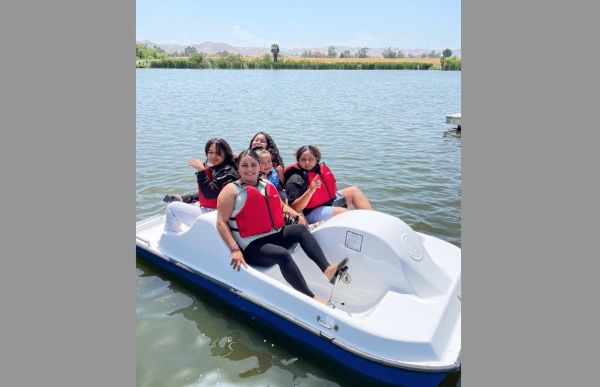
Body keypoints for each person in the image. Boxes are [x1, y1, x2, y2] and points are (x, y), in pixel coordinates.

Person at [216, 149, 349, 304]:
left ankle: (328, 270)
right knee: (282, 254)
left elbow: (281, 207)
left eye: (253, 165)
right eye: (244, 165)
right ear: (238, 167)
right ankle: (310, 297)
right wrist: (235, 249)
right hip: (253, 246)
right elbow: (221, 222)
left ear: (260, 167)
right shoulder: (231, 190)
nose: (249, 169)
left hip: (275, 234)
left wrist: (298, 216)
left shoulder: (267, 184)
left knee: (300, 229)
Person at [164, 138, 239, 232]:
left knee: (172, 208)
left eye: (218, 152)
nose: (213, 156)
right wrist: (184, 198)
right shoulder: (221, 168)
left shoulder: (228, 172)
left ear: (226, 153)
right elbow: (211, 192)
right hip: (215, 211)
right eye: (210, 152)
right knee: (186, 203)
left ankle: (170, 238)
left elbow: (209, 194)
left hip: (218, 216)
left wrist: (201, 171)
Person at [285, 145, 373, 224]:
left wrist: (338, 200)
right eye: (303, 159)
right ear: (298, 160)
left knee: (354, 190)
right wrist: (310, 191)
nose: (307, 162)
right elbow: (295, 208)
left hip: (329, 202)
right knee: (343, 213)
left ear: (317, 158)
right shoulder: (295, 179)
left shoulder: (321, 169)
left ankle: (372, 220)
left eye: (310, 159)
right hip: (311, 212)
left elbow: (334, 189)